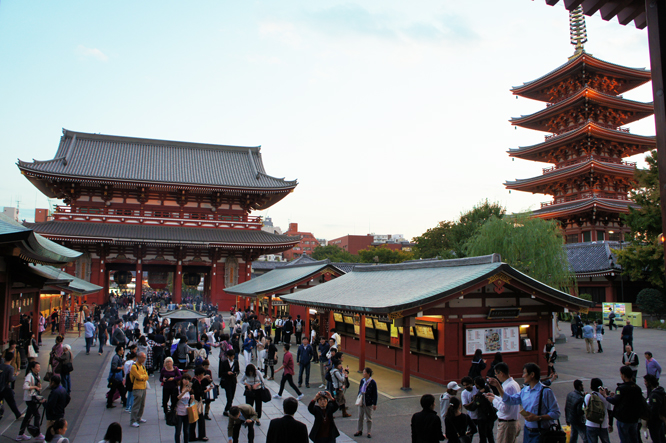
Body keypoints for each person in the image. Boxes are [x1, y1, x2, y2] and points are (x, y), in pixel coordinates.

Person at [486, 363, 561, 443]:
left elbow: (556, 413)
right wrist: (498, 386)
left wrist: (538, 417)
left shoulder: (545, 392)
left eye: (525, 373)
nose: (523, 376)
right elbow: (510, 400)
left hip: (540, 432)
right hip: (527, 431)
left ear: (532, 374)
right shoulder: (525, 391)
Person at [599, 365, 644, 443]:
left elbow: (614, 401)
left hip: (624, 418)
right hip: (634, 418)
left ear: (623, 375)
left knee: (624, 439)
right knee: (634, 439)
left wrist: (605, 395)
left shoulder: (622, 388)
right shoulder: (637, 388)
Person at [490, 363, 521, 443]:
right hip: (512, 422)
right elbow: (505, 400)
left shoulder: (508, 387)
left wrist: (493, 400)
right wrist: (495, 397)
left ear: (501, 373)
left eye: (496, 374)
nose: (496, 376)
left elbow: (505, 408)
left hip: (507, 424)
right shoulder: (514, 384)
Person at [18, 361, 45, 441]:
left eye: (39, 367)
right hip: (30, 398)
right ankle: (37, 434)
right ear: (32, 368)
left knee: (28, 416)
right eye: (37, 367)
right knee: (37, 415)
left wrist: (38, 386)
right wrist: (35, 387)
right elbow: (25, 386)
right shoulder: (29, 376)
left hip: (32, 397)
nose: (39, 368)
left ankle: (20, 434)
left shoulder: (37, 375)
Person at [465, 377, 497, 443]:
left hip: (482, 419)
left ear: (478, 385)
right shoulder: (488, 391)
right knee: (490, 435)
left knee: (483, 437)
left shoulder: (479, 396)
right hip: (491, 417)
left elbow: (473, 407)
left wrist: (472, 402)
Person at [584, 378, 613, 443]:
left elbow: (584, 408)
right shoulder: (605, 397)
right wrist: (610, 424)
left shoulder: (588, 396)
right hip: (602, 424)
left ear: (591, 387)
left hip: (590, 424)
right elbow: (610, 411)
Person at [190, 366, 212, 441]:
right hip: (196, 403)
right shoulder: (196, 381)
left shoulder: (196, 380)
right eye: (202, 374)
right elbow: (198, 392)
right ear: (199, 374)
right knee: (199, 419)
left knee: (195, 420)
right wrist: (205, 391)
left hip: (195, 402)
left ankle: (192, 436)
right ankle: (201, 435)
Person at [354, 367, 377, 438]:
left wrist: (374, 403)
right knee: (360, 416)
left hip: (368, 401)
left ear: (368, 374)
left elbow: (374, 394)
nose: (363, 373)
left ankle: (369, 432)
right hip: (362, 399)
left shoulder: (373, 382)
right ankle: (359, 430)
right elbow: (360, 389)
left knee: (368, 418)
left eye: (364, 372)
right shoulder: (362, 381)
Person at [0, 351, 22, 421]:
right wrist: (15, 375)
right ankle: (18, 414)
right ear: (12, 359)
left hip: (0, 387)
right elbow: (10, 379)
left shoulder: (0, 366)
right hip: (6, 388)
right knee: (11, 402)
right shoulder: (10, 368)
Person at [643, 374, 666, 443]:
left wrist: (648, 418)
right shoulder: (660, 391)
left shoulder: (654, 395)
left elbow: (655, 409)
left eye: (645, 381)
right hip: (660, 421)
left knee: (656, 439)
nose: (645, 383)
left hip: (655, 422)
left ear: (650, 382)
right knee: (661, 438)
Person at [130, 351, 149, 427]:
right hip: (137, 387)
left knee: (142, 404)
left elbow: (146, 376)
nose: (144, 359)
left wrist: (143, 377)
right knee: (136, 404)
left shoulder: (143, 366)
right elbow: (138, 376)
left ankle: (139, 417)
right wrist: (143, 377)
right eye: (143, 358)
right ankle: (133, 420)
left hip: (143, 387)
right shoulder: (134, 366)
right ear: (139, 357)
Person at [220, 350, 239, 416]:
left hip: (233, 381)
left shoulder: (236, 362)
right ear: (228, 356)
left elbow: (238, 370)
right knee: (229, 397)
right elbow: (221, 372)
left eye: (233, 356)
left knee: (232, 396)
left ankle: (228, 409)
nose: (232, 358)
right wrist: (227, 373)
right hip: (227, 382)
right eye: (231, 356)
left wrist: (236, 373)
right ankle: (227, 409)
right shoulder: (224, 362)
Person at [175, 374, 192, 443]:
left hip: (187, 412)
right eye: (185, 379)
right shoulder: (177, 389)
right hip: (179, 412)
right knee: (178, 431)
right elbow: (177, 398)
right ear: (182, 380)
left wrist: (192, 398)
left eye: (188, 380)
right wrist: (185, 391)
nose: (186, 381)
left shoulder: (189, 390)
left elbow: (190, 401)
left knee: (186, 431)